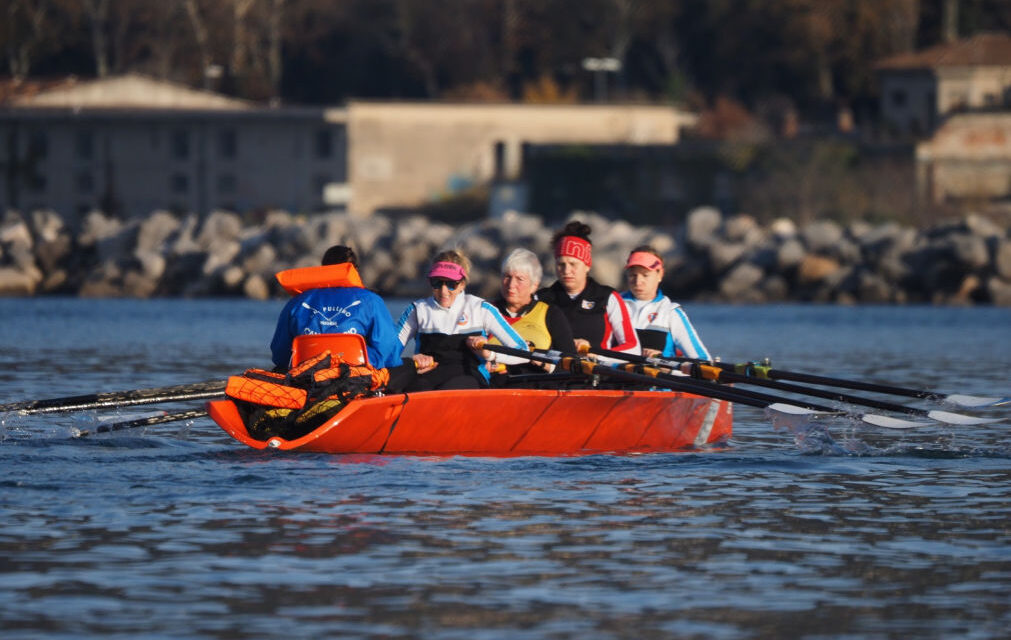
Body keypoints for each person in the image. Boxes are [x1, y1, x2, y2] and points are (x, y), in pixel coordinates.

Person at [396, 249, 529, 390]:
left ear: (462, 284)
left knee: (453, 386)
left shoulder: (481, 309)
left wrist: (489, 354)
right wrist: (412, 361)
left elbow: (523, 352)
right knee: (415, 386)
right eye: (437, 282)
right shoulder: (417, 310)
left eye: (451, 284)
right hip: (428, 378)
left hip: (470, 380)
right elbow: (387, 352)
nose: (443, 291)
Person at [269, 245, 402, 370]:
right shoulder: (371, 301)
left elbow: (280, 354)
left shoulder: (297, 302)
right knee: (408, 367)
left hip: (305, 377)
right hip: (358, 379)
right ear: (354, 271)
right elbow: (389, 350)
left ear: (323, 269)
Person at [536, 220, 640, 356]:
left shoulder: (607, 297)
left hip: (597, 372)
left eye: (573, 264)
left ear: (587, 266)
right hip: (554, 373)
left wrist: (598, 355)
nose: (566, 271)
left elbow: (633, 347)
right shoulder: (542, 298)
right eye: (561, 264)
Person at [490, 248, 576, 374]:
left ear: (534, 285)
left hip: (535, 384)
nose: (511, 284)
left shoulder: (551, 314)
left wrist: (543, 363)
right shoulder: (486, 310)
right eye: (507, 276)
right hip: (492, 386)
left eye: (520, 279)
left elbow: (571, 363)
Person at [621, 245, 711, 361]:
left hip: (657, 374)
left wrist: (661, 359)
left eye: (645, 275)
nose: (638, 282)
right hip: (615, 375)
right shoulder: (612, 304)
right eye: (633, 275)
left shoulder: (670, 312)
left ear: (660, 275)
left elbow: (702, 358)